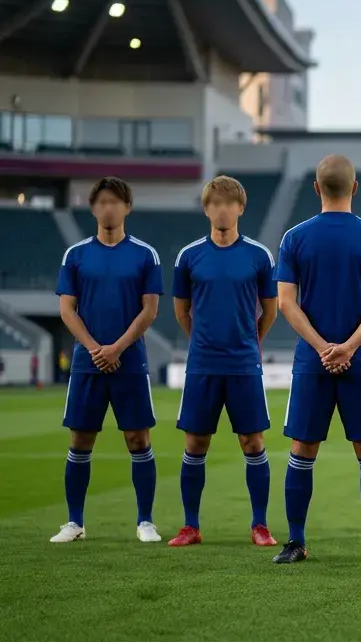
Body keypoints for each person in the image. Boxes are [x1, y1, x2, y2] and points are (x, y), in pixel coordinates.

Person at [272, 154, 361, 564]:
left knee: (303, 449)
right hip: (359, 361)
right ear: (355, 188)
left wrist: (323, 347)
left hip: (312, 362)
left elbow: (286, 304)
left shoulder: (294, 237)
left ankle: (295, 542)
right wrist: (349, 347)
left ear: (316, 188)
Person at [166, 176, 279, 549]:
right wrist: (200, 341)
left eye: (228, 203)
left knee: (252, 442)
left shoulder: (259, 256)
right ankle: (190, 526)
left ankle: (260, 525)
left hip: (244, 363)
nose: (222, 209)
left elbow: (270, 309)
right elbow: (181, 310)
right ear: (206, 209)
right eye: (214, 203)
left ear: (240, 208)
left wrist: (251, 341)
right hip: (202, 365)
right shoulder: (189, 256)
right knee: (196, 443)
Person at [51, 177, 163, 544]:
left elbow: (150, 310)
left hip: (130, 361)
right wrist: (96, 348)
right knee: (81, 439)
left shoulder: (145, 255)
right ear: (93, 207)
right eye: (101, 202)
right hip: (88, 362)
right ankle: (75, 522)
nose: (108, 207)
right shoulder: (76, 255)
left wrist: (116, 348)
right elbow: (67, 310)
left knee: (137, 438)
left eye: (115, 201)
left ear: (127, 207)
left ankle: (145, 521)